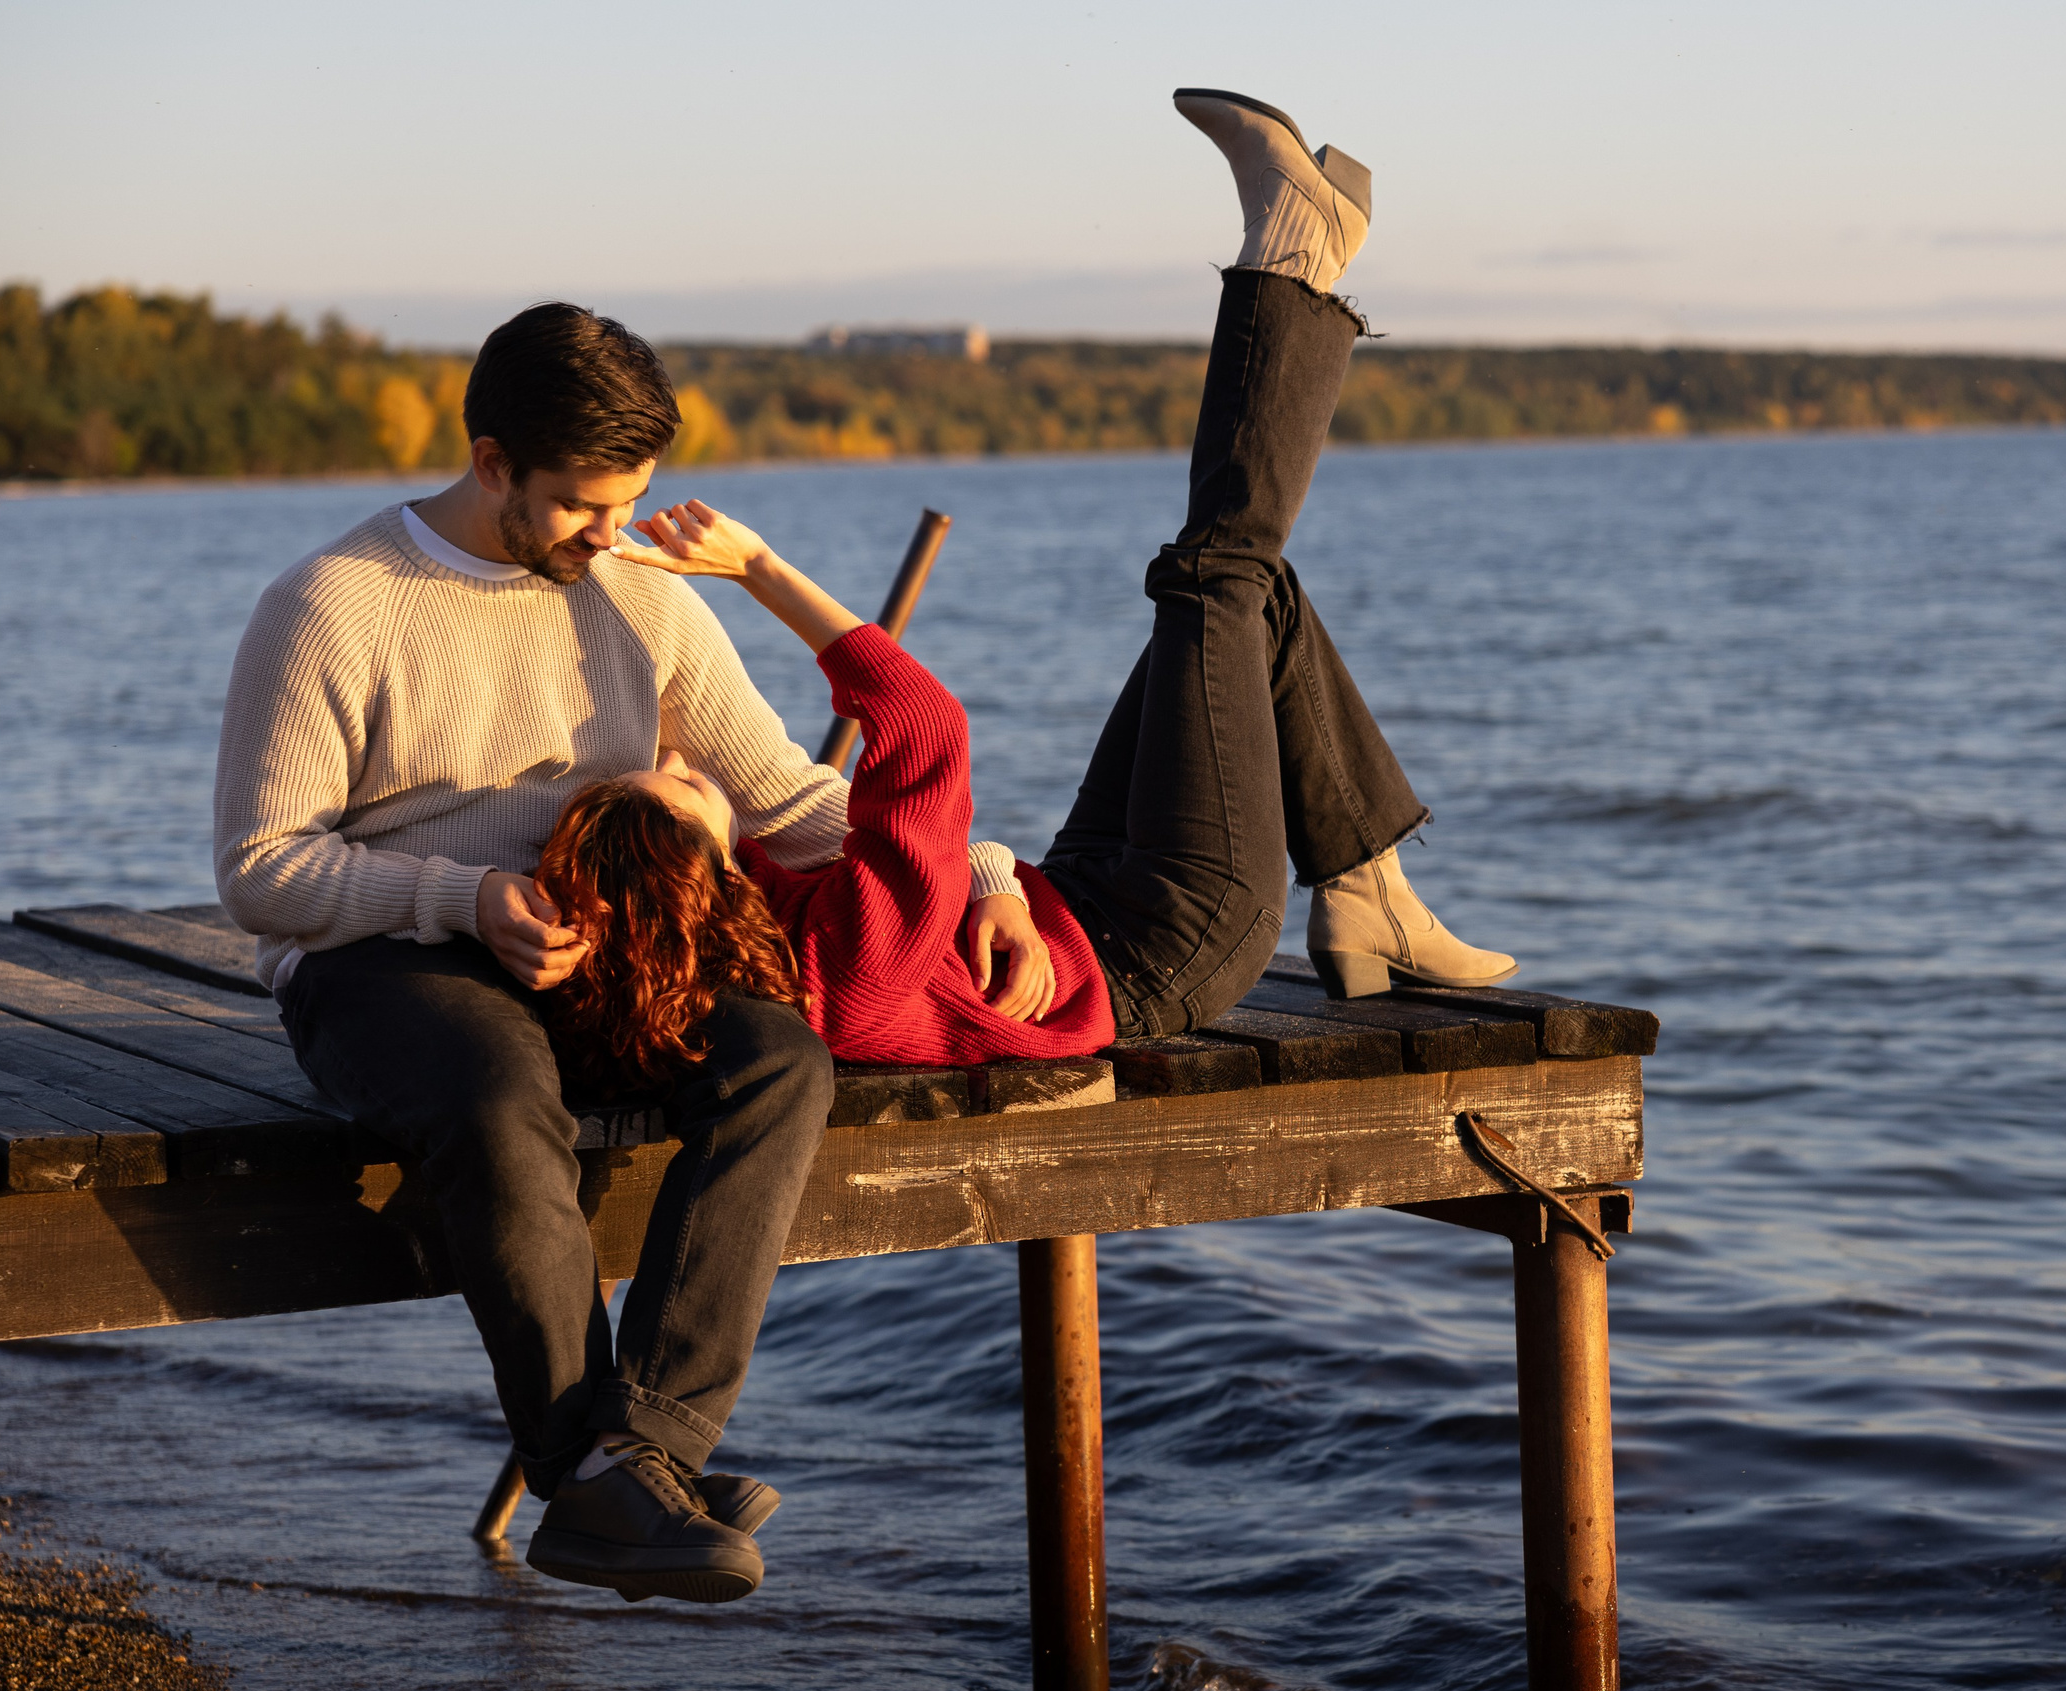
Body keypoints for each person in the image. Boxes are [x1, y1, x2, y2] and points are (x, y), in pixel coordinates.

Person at [211, 304, 1044, 1605]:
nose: (613, 535)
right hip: (377, 950)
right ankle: (587, 1467)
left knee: (776, 1054)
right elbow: (261, 871)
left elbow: (788, 797)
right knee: (496, 1091)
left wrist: (987, 873)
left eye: (630, 503)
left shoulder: (638, 596)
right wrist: (460, 897)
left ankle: (638, 1452)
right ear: (492, 462)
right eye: (582, 507)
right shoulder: (332, 603)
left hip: (599, 950)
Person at [535, 87, 1516, 1087]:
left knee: (1241, 594)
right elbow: (926, 731)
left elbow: (918, 841)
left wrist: (987, 880)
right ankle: (1291, 254)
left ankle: (1365, 889)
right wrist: (760, 571)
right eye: (673, 781)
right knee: (1214, 578)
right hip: (1165, 943)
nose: (670, 753)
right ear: (693, 878)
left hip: (1080, 895)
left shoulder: (775, 913)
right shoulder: (838, 968)